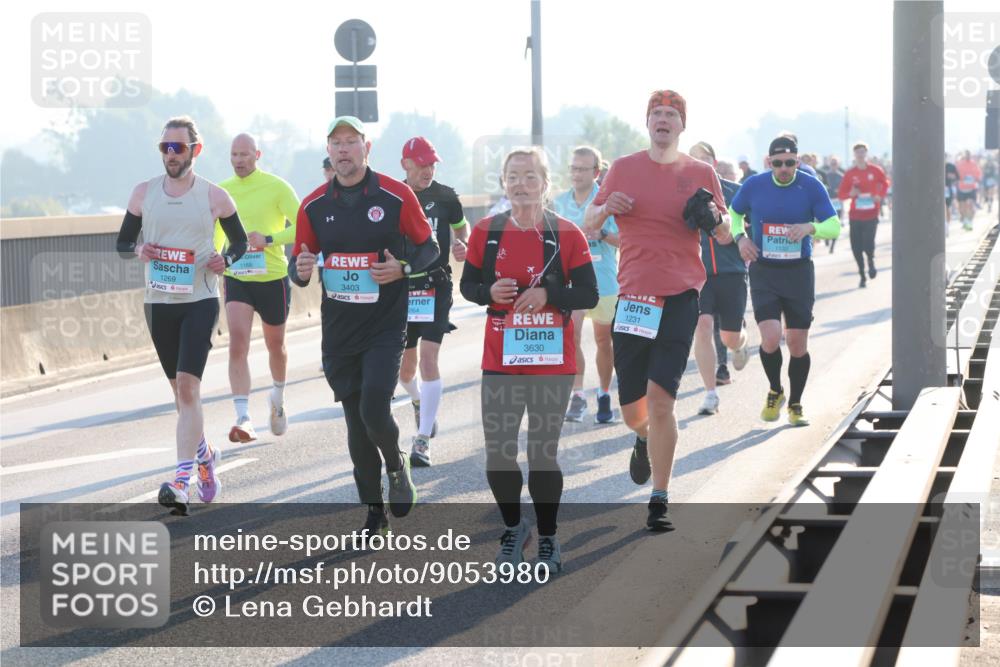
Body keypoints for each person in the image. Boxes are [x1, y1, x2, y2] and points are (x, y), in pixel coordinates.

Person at [584, 90, 732, 531]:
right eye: (657, 114)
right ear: (647, 123)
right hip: (634, 299)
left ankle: (659, 498)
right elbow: (590, 224)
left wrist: (712, 217)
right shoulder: (624, 169)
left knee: (662, 401)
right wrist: (605, 207)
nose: (663, 120)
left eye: (671, 115)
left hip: (681, 297)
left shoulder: (701, 172)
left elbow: (724, 234)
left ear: (682, 125)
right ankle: (643, 437)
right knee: (635, 410)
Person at [290, 116, 439, 533]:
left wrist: (403, 267)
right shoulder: (314, 204)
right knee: (356, 421)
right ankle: (374, 512)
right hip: (339, 330)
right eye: (335, 142)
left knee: (375, 406)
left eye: (350, 141)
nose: (342, 150)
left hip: (384, 325)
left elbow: (430, 248)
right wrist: (299, 269)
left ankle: (396, 465)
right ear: (329, 150)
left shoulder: (396, 195)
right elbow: (299, 266)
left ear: (365, 148)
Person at [461, 147, 598, 572]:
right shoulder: (488, 231)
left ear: (545, 183)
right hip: (500, 358)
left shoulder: (567, 234)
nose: (521, 184)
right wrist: (489, 294)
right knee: (499, 453)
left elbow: (589, 295)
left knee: (542, 453)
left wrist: (548, 293)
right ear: (503, 183)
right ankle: (513, 527)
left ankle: (549, 536)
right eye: (513, 176)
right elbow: (467, 286)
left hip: (552, 363)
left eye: (530, 176)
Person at [116, 116, 249, 514]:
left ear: (196, 150)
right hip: (158, 304)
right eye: (165, 148)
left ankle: (182, 479)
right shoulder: (143, 193)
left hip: (199, 301)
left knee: (189, 389)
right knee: (180, 394)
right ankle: (206, 455)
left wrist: (225, 259)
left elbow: (239, 242)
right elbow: (123, 242)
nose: (171, 155)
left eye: (178, 147)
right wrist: (139, 250)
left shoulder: (215, 196)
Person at [731, 135, 840, 427]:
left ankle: (795, 404)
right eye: (777, 163)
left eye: (789, 163)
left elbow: (834, 225)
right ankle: (775, 390)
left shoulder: (810, 185)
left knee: (796, 343)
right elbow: (734, 212)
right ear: (769, 163)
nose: (783, 169)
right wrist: (740, 238)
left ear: (798, 160)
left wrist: (810, 227)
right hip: (764, 270)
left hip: (798, 273)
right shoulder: (754, 185)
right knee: (769, 336)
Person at [216, 134, 299, 443]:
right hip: (237, 276)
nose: (239, 160)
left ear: (257, 155)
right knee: (237, 341)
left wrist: (269, 240)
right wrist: (218, 259)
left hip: (273, 277)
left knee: (275, 345)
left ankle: (277, 398)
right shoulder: (222, 191)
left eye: (245, 155)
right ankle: (243, 417)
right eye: (234, 155)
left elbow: (302, 223)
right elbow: (215, 232)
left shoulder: (276, 187)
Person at [396, 137, 470, 466]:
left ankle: (422, 439)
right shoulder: (393, 197)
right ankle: (417, 401)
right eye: (422, 164)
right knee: (405, 370)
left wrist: (462, 244)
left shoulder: (446, 196)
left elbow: (461, 228)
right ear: (406, 165)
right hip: (401, 288)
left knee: (428, 359)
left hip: (436, 285)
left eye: (432, 164)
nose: (428, 170)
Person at [553, 146, 619, 424]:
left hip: (603, 281)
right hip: (573, 282)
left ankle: (604, 393)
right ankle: (578, 395)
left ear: (596, 172)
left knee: (604, 341)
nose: (576, 174)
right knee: (572, 336)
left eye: (582, 169)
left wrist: (601, 233)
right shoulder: (559, 202)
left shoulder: (606, 201)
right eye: (573, 168)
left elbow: (624, 241)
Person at [688, 141, 750, 416]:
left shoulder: (736, 193)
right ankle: (710, 394)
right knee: (702, 327)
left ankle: (741, 343)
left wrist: (735, 232)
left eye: (703, 160)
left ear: (713, 164)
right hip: (698, 275)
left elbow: (750, 230)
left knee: (730, 338)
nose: (697, 166)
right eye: (691, 160)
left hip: (732, 272)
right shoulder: (680, 196)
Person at [838, 141, 889, 288]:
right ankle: (862, 274)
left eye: (863, 152)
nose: (860, 155)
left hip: (871, 214)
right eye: (858, 152)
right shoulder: (850, 174)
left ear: (866, 154)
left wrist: (879, 195)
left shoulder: (875, 170)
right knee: (856, 247)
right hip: (855, 215)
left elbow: (885, 183)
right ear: (854, 155)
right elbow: (841, 194)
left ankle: (871, 261)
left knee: (868, 243)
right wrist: (851, 193)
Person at [822, 156, 846, 253]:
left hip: (837, 202)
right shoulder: (825, 176)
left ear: (838, 165)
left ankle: (832, 246)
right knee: (826, 222)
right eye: (832, 163)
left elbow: (843, 191)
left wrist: (843, 205)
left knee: (836, 224)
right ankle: (826, 238)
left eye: (835, 163)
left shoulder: (841, 176)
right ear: (829, 164)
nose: (833, 165)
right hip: (827, 201)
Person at [955, 150, 982, 231]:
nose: (967, 156)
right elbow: (956, 175)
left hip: (971, 188)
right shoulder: (959, 164)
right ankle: (965, 221)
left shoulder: (974, 164)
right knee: (962, 207)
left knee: (971, 206)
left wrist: (976, 179)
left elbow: (978, 174)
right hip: (962, 188)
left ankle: (968, 222)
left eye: (969, 155)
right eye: (966, 155)